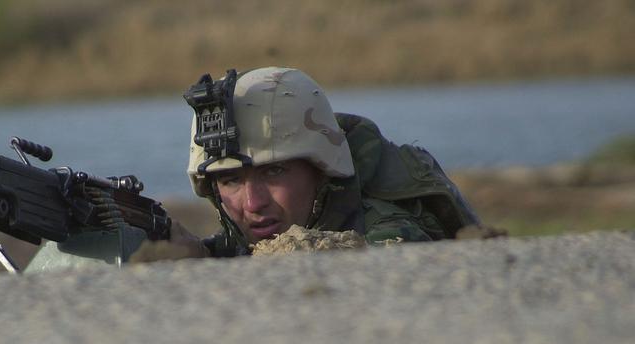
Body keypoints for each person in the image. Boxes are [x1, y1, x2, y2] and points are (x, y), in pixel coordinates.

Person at [172, 66, 485, 257]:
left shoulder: (388, 234)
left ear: (321, 170)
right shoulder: (262, 232)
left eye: (274, 171)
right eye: (231, 180)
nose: (253, 203)